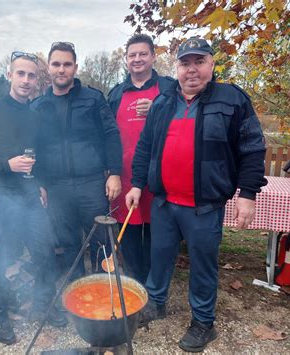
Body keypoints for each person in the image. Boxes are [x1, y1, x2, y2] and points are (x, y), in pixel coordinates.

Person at [125, 37, 267, 352]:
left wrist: (248, 194)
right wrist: (136, 184)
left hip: (203, 206)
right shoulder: (163, 102)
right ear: (176, 68)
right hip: (164, 202)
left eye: (199, 61)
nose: (192, 70)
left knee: (203, 265)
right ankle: (155, 303)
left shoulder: (232, 100)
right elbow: (146, 148)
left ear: (211, 65)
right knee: (159, 258)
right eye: (185, 63)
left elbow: (252, 148)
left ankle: (203, 322)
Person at [0, 51, 67, 345]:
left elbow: (41, 157)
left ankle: (43, 305)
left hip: (30, 198)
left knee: (45, 253)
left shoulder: (35, 115)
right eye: (20, 73)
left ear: (37, 80)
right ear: (9, 75)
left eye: (31, 75)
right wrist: (5, 165)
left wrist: (42, 183)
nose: (26, 80)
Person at [32, 42, 123, 279]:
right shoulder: (38, 107)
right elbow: (35, 148)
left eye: (67, 64)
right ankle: (78, 292)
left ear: (75, 67)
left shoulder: (93, 99)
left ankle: (105, 292)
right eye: (56, 64)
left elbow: (111, 134)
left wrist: (114, 172)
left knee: (101, 241)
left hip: (91, 184)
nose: (61, 69)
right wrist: (39, 182)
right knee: (68, 242)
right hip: (57, 187)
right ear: (48, 68)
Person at [108, 34, 174, 285]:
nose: (137, 59)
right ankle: (137, 279)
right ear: (126, 60)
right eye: (132, 55)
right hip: (125, 176)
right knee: (130, 231)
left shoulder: (169, 88)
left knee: (159, 231)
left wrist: (157, 107)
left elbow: (186, 116)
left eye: (142, 54)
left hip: (161, 175)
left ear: (153, 57)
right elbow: (107, 134)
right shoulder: (116, 94)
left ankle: (156, 281)